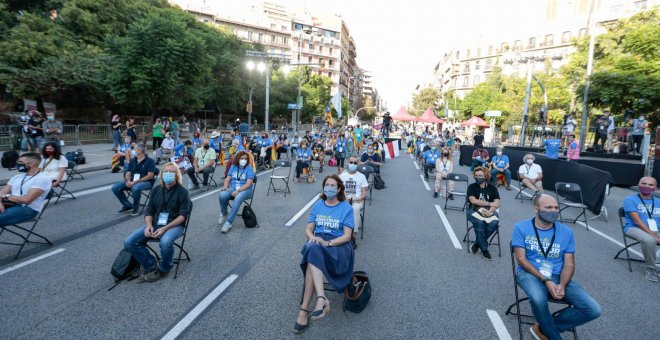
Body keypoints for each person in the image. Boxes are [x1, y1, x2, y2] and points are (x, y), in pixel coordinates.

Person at [512, 194, 601, 340]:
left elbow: (569, 263)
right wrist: (546, 280)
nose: (553, 211)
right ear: (536, 209)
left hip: (558, 276)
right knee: (539, 299)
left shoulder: (567, 232)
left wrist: (562, 285)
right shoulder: (521, 227)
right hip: (530, 274)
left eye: (556, 207)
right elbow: (521, 259)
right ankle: (554, 337)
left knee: (593, 309)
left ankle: (543, 328)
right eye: (548, 207)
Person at [294, 175, 354, 334]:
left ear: (339, 188)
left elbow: (347, 236)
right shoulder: (318, 205)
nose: (328, 187)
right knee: (313, 248)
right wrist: (313, 238)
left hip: (338, 245)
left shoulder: (346, 208)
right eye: (326, 184)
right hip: (318, 242)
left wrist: (327, 243)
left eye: (332, 185)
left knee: (312, 255)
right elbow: (308, 229)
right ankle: (320, 299)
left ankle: (305, 309)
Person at [123, 162, 191, 283]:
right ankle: (151, 266)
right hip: (155, 224)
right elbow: (149, 211)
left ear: (176, 175)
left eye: (171, 172)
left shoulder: (182, 192)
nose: (168, 174)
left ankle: (165, 267)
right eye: (166, 172)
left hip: (174, 225)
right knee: (130, 242)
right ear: (162, 174)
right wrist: (148, 226)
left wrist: (164, 229)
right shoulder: (156, 190)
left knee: (165, 241)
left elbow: (182, 216)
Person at [622, 176, 660, 282]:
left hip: (655, 229)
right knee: (649, 240)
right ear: (639, 185)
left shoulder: (658, 201)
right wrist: (654, 236)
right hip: (634, 228)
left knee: (652, 238)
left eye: (650, 185)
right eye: (644, 183)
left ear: (655, 188)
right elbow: (637, 221)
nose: (647, 186)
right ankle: (650, 268)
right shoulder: (630, 200)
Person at [0, 153, 51, 226]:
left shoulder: (42, 179)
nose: (17, 164)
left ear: (31, 164)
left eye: (20, 162)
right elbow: (2, 192)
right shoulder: (17, 177)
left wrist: (5, 196)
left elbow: (26, 200)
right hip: (10, 203)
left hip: (28, 209)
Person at [111, 143, 157, 216]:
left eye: (134, 149)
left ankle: (136, 206)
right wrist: (128, 180)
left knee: (135, 188)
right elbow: (128, 172)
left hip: (146, 182)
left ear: (139, 151)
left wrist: (135, 182)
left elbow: (150, 176)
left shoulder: (149, 161)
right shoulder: (133, 160)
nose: (132, 151)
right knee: (115, 188)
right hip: (132, 181)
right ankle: (127, 205)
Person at [466, 166, 500, 260]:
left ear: (486, 176)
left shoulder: (492, 188)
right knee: (480, 222)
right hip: (473, 210)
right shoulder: (472, 187)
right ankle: (484, 249)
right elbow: (473, 201)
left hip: (488, 211)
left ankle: (477, 243)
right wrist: (489, 203)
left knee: (494, 222)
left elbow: (497, 203)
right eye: (476, 175)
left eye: (480, 175)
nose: (478, 177)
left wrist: (490, 211)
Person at [218, 151, 254, 233]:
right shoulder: (233, 167)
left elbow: (249, 184)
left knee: (238, 197)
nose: (244, 160)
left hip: (245, 190)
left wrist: (238, 190)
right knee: (222, 195)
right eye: (242, 158)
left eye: (245, 159)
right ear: (238, 159)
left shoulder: (249, 168)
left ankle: (228, 222)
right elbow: (228, 179)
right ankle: (224, 213)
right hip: (233, 188)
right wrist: (225, 187)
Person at [339, 157, 368, 238]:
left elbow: (364, 192)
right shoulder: (342, 176)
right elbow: (338, 189)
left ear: (358, 164)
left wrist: (361, 198)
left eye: (355, 163)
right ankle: (340, 231)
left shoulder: (361, 176)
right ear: (348, 163)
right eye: (351, 162)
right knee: (341, 207)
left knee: (355, 209)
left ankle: (353, 235)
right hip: (345, 198)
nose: (353, 164)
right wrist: (344, 197)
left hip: (357, 199)